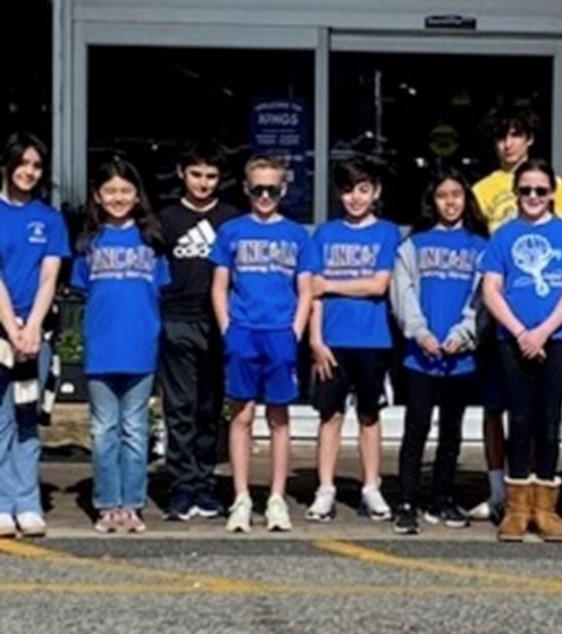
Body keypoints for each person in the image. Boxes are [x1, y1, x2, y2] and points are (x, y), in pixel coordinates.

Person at [469, 107, 562, 523]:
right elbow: (481, 252)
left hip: (547, 313)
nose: (508, 144)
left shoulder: (555, 187)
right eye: (501, 137)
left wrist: (544, 326)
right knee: (500, 405)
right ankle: (502, 492)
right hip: (500, 310)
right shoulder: (482, 189)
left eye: (516, 135)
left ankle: (538, 496)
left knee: (542, 411)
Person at [479, 159, 562, 542]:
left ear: (552, 195)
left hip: (556, 338)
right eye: (525, 190)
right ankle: (516, 507)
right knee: (520, 419)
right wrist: (521, 332)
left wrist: (542, 332)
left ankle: (545, 507)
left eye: (541, 190)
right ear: (516, 193)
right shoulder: (504, 236)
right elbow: (491, 289)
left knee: (548, 419)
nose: (533, 197)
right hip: (512, 340)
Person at [210, 156, 312, 533]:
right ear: (247, 189)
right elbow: (220, 285)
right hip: (244, 331)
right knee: (241, 415)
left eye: (272, 189)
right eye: (258, 189)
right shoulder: (232, 231)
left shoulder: (297, 235)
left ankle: (276, 497)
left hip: (280, 333)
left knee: (279, 417)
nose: (265, 196)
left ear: (283, 189)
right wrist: (227, 328)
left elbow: (306, 289)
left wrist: (296, 332)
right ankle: (241, 497)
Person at [71, 159, 171, 533]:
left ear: (137, 196)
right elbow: (80, 291)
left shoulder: (151, 242)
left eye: (125, 191)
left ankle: (132, 503)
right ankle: (106, 503)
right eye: (110, 191)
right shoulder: (88, 244)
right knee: (102, 430)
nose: (118, 198)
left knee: (134, 428)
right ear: (97, 196)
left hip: (141, 348)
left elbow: (160, 290)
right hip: (101, 349)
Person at [303, 157, 399, 523]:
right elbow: (313, 292)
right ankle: (325, 488)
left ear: (375, 192)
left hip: (373, 340)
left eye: (363, 190)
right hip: (332, 339)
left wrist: (331, 284)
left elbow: (379, 285)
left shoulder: (387, 232)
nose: (355, 198)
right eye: (348, 190)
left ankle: (370, 486)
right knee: (330, 414)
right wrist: (315, 340)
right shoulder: (325, 234)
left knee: (370, 415)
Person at [391, 169, 487, 535]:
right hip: (421, 354)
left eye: (457, 195)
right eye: (443, 195)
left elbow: (482, 299)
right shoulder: (413, 245)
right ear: (432, 200)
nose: (450, 202)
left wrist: (463, 335)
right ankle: (406, 500)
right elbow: (403, 292)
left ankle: (443, 497)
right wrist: (420, 333)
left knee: (452, 431)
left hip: (459, 354)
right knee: (416, 428)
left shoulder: (480, 246)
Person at [158, 142, 239, 521]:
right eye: (196, 175)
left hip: (219, 323)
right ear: (181, 174)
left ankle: (205, 483)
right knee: (180, 407)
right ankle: (181, 484)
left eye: (210, 176)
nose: (203, 183)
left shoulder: (232, 219)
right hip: (176, 319)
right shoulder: (165, 220)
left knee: (209, 406)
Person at [0, 132, 69, 537]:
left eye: (37, 165)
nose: (29, 172)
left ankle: (26, 500)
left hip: (34, 333)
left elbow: (49, 277)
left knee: (27, 417)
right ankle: (2, 501)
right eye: (22, 163)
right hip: (3, 330)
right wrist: (11, 328)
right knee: (0, 420)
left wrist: (33, 329)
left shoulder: (49, 219)